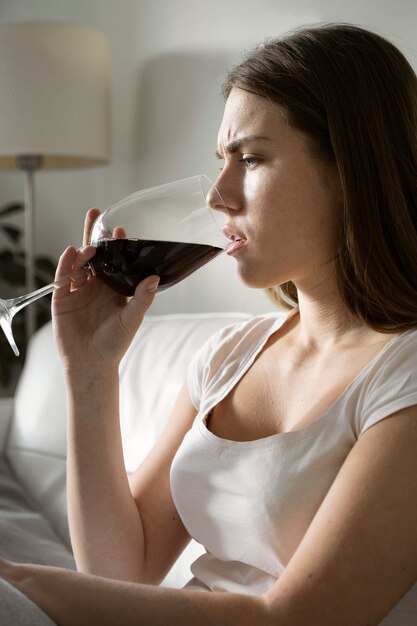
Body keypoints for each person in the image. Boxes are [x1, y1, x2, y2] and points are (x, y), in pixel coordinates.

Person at [1, 21, 417, 626]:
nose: (217, 197)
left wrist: (21, 580)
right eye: (222, 161)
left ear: (352, 168)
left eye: (250, 159)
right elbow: (122, 573)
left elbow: (298, 620)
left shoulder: (401, 373)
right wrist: (91, 371)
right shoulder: (229, 355)